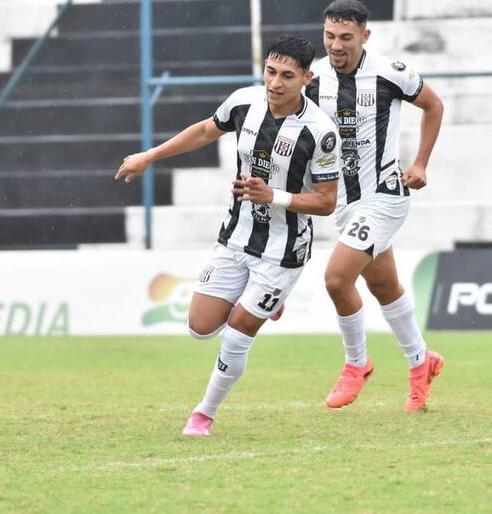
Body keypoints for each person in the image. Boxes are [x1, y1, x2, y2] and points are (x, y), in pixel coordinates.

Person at [116, 35, 342, 435]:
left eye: (287, 76)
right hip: (236, 237)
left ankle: (204, 413)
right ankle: (267, 305)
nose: (275, 83)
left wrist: (274, 196)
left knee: (237, 333)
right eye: (271, 72)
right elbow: (205, 130)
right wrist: (150, 156)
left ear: (307, 78)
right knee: (199, 328)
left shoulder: (320, 131)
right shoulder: (244, 101)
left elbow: (326, 202)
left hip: (283, 250)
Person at [304, 0, 446, 412]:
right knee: (384, 287)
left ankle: (356, 363)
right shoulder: (314, 80)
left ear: (365, 36)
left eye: (345, 37)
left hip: (384, 197)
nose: (335, 45)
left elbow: (434, 106)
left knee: (336, 279)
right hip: (345, 203)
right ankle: (422, 363)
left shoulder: (390, 72)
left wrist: (420, 162)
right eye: (329, 36)